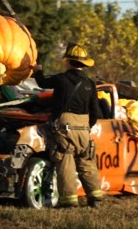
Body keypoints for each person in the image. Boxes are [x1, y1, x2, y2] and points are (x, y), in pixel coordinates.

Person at [31, 43, 106, 209]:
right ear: (84, 63)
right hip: (84, 129)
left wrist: (37, 70)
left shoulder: (61, 79)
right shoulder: (90, 84)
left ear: (68, 62)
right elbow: (96, 112)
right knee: (86, 163)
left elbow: (42, 83)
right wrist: (86, 126)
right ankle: (96, 198)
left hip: (65, 127)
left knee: (65, 163)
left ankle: (69, 201)